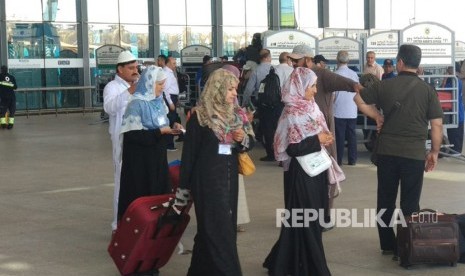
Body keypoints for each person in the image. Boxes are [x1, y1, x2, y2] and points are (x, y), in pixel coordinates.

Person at [354, 44, 444, 258]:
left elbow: (358, 99)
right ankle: (406, 246)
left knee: (385, 199)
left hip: (387, 152)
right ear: (418, 64)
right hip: (413, 154)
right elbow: (437, 125)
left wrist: (376, 116)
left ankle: (387, 244)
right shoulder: (428, 91)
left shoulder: (386, 85)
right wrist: (434, 152)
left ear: (400, 62)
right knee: (410, 203)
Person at [176, 69, 255, 275]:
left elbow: (249, 143)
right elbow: (189, 156)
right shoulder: (200, 117)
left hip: (229, 181)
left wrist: (241, 139)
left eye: (235, 89)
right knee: (218, 232)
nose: (234, 94)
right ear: (218, 88)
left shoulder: (236, 114)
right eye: (229, 89)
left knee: (216, 230)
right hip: (207, 182)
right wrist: (183, 191)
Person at [263, 67, 333, 276]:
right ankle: (313, 267)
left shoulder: (311, 107)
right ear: (300, 87)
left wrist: (325, 138)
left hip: (317, 169)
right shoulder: (291, 112)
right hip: (301, 175)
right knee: (306, 219)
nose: (314, 89)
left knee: (309, 218)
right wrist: (317, 139)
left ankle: (285, 262)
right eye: (311, 86)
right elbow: (292, 148)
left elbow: (320, 132)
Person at [288, 44, 362, 228]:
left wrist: (360, 89)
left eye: (297, 60)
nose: (294, 64)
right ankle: (301, 216)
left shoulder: (322, 75)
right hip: (300, 138)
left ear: (308, 59)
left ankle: (324, 216)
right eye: (292, 60)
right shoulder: (295, 77)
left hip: (322, 138)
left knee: (324, 176)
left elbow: (347, 83)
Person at [117, 65, 182, 220]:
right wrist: (160, 132)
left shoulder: (159, 102)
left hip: (157, 158)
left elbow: (163, 126)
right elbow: (134, 136)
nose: (162, 87)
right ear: (149, 84)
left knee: (160, 194)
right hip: (140, 163)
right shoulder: (136, 104)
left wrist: (173, 128)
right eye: (159, 84)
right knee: (142, 196)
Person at [103, 50, 139, 231]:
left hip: (140, 140)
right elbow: (109, 107)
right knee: (121, 181)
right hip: (122, 140)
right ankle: (118, 225)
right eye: (131, 68)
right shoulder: (112, 87)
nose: (135, 71)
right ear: (120, 69)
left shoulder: (140, 85)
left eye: (136, 67)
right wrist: (129, 92)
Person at [333, 50, 360, 166]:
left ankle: (338, 160)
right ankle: (352, 159)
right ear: (348, 60)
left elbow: (332, 94)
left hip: (338, 110)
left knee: (339, 136)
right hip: (352, 109)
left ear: (337, 60)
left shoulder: (334, 74)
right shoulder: (353, 74)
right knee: (352, 136)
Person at [443, 64, 464, 155]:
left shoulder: (456, 80)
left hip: (458, 113)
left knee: (456, 135)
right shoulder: (452, 79)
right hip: (453, 112)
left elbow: (444, 90)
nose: (447, 70)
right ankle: (454, 151)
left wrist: (444, 79)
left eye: (449, 68)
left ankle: (456, 152)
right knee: (452, 133)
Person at [163, 56, 181, 151]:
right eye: (173, 63)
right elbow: (165, 90)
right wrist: (170, 103)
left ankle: (169, 143)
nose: (175, 65)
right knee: (170, 120)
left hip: (172, 97)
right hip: (169, 98)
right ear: (168, 63)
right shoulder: (166, 73)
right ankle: (168, 144)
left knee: (172, 120)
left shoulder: (170, 72)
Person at [0, 65, 18, 129]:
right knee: (12, 112)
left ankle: (3, 125)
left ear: (1, 70)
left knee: (2, 112)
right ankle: (10, 125)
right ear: (7, 70)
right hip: (12, 98)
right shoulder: (12, 77)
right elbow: (15, 87)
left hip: (4, 98)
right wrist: (9, 84)